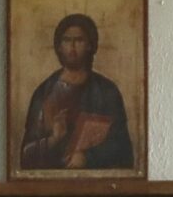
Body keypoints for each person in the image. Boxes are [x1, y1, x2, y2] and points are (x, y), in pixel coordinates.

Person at [18, 13, 132, 171]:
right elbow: (26, 156)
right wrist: (53, 140)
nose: (72, 47)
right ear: (59, 46)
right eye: (66, 40)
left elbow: (122, 148)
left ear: (90, 45)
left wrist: (88, 158)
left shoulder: (107, 92)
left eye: (79, 40)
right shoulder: (44, 92)